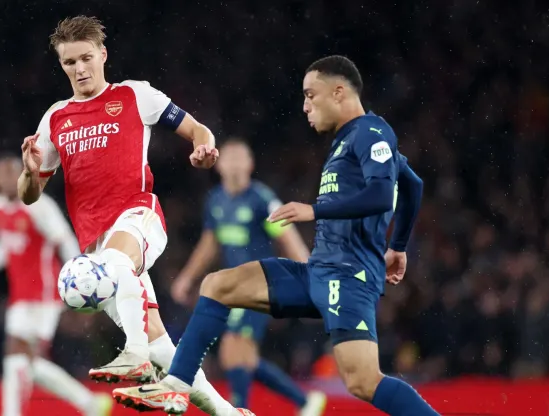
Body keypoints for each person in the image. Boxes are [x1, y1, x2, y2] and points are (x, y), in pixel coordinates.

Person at [113, 55, 439, 416]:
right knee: (217, 286)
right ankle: (176, 386)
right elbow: (413, 185)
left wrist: (315, 211)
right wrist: (398, 248)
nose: (304, 106)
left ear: (339, 91)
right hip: (318, 271)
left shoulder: (370, 132)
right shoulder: (347, 140)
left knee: (363, 381)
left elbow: (381, 195)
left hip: (349, 276)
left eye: (310, 95)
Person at [18, 15, 252, 416]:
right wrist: (28, 171)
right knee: (165, 348)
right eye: (69, 63)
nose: (79, 69)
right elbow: (29, 195)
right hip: (95, 250)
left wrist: (203, 148)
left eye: (85, 58)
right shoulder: (56, 118)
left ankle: (135, 354)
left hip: (138, 217)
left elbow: (198, 130)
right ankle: (228, 413)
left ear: (102, 55)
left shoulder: (134, 96)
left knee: (118, 268)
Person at [171, 139, 326, 415]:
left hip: (260, 283)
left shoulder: (261, 199)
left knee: (233, 349)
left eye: (240, 158)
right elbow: (209, 245)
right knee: (244, 359)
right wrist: (187, 277)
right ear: (218, 165)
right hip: (233, 287)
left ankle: (239, 410)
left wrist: (310, 274)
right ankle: (305, 402)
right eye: (229, 157)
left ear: (250, 165)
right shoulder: (216, 200)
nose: (234, 163)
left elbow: (287, 237)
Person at [0, 155, 112, 416]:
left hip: (44, 293)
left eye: (11, 173)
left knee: (19, 356)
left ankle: (77, 404)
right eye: (0, 174)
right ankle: (89, 404)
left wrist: (80, 281)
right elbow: (7, 245)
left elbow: (64, 241)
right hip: (20, 295)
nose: (5, 179)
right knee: (23, 362)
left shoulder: (39, 206)